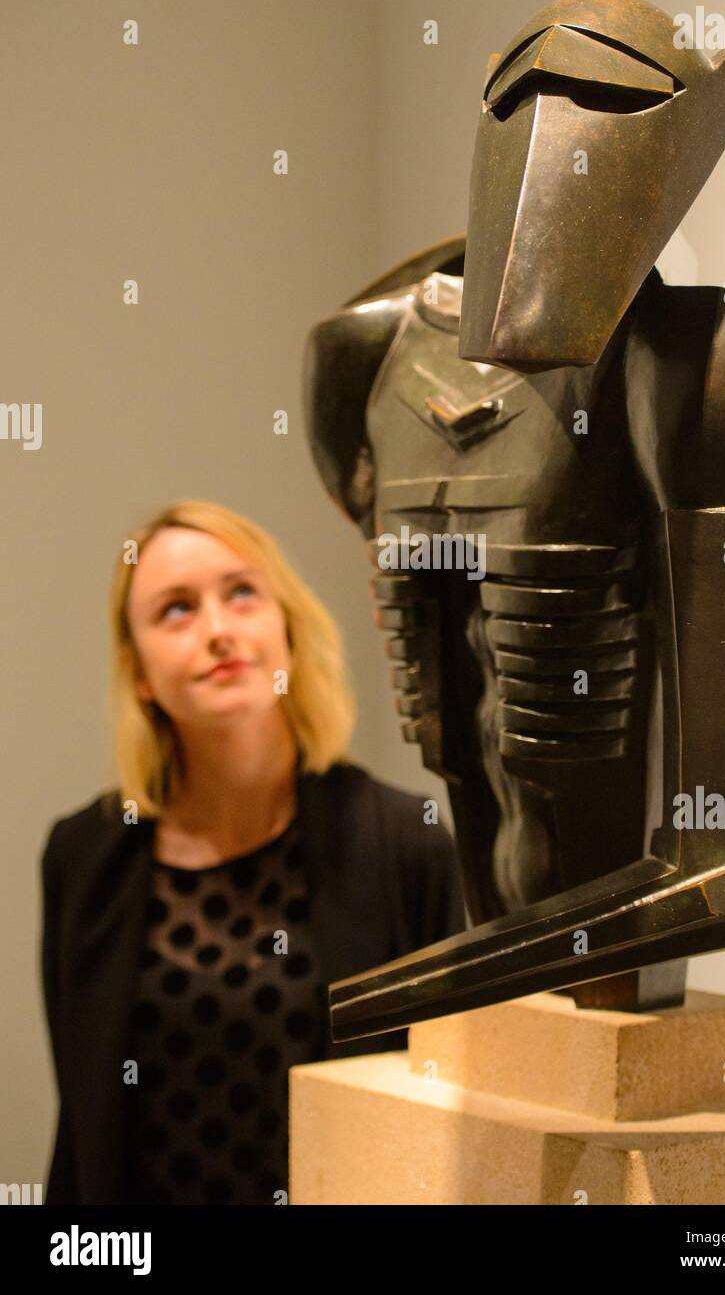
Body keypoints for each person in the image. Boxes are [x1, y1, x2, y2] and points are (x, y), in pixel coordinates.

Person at [40, 498, 467, 1205]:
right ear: (140, 673)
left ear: (288, 631)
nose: (216, 630)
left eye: (241, 593)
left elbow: (442, 1119)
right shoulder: (83, 856)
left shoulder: (404, 844)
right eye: (175, 610)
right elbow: (82, 1129)